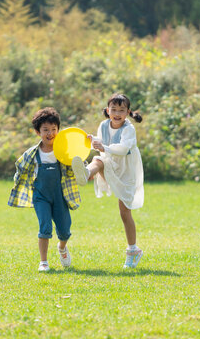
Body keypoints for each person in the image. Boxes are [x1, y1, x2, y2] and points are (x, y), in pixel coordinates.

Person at [72, 93, 144, 269]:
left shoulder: (129, 129)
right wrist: (93, 141)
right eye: (113, 109)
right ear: (107, 111)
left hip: (126, 169)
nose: (117, 113)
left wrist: (103, 147)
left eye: (121, 110)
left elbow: (124, 148)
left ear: (127, 112)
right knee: (99, 160)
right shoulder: (104, 125)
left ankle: (133, 250)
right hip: (109, 162)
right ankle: (86, 173)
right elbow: (101, 143)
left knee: (124, 212)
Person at [8, 107, 81, 272]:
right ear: (37, 132)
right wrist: (19, 183)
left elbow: (76, 165)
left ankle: (62, 247)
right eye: (45, 130)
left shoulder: (63, 151)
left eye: (53, 129)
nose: (50, 133)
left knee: (64, 230)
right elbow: (20, 168)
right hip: (41, 196)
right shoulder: (32, 154)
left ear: (58, 130)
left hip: (60, 196)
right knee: (45, 227)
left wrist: (84, 170)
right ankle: (44, 262)